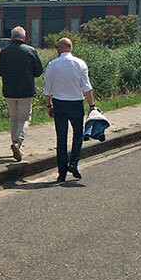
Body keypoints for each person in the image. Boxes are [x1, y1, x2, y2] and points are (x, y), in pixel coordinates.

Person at [44, 38, 97, 182]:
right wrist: (92, 105)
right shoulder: (80, 63)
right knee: (78, 135)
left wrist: (48, 105)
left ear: (60, 48)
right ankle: (73, 163)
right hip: (76, 103)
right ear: (71, 48)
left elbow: (47, 88)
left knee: (61, 137)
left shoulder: (52, 65)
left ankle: (61, 172)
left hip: (59, 103)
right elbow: (86, 87)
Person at [0, 26, 43, 162]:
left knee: (14, 119)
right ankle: (17, 142)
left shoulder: (4, 51)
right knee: (24, 119)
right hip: (26, 90)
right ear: (24, 37)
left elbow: (0, 71)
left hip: (9, 90)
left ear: (11, 37)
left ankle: (16, 146)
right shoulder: (30, 51)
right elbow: (38, 71)